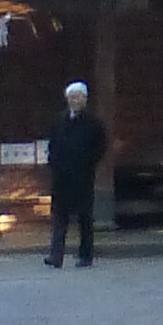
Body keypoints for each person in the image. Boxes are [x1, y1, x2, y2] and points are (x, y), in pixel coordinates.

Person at [45, 77, 106, 271]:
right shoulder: (59, 119)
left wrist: (88, 164)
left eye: (79, 97)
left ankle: (85, 255)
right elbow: (53, 144)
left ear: (85, 99)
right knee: (59, 216)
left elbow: (100, 147)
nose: (75, 100)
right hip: (61, 176)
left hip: (82, 176)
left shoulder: (93, 122)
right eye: (72, 97)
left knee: (84, 218)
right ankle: (56, 256)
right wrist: (53, 162)